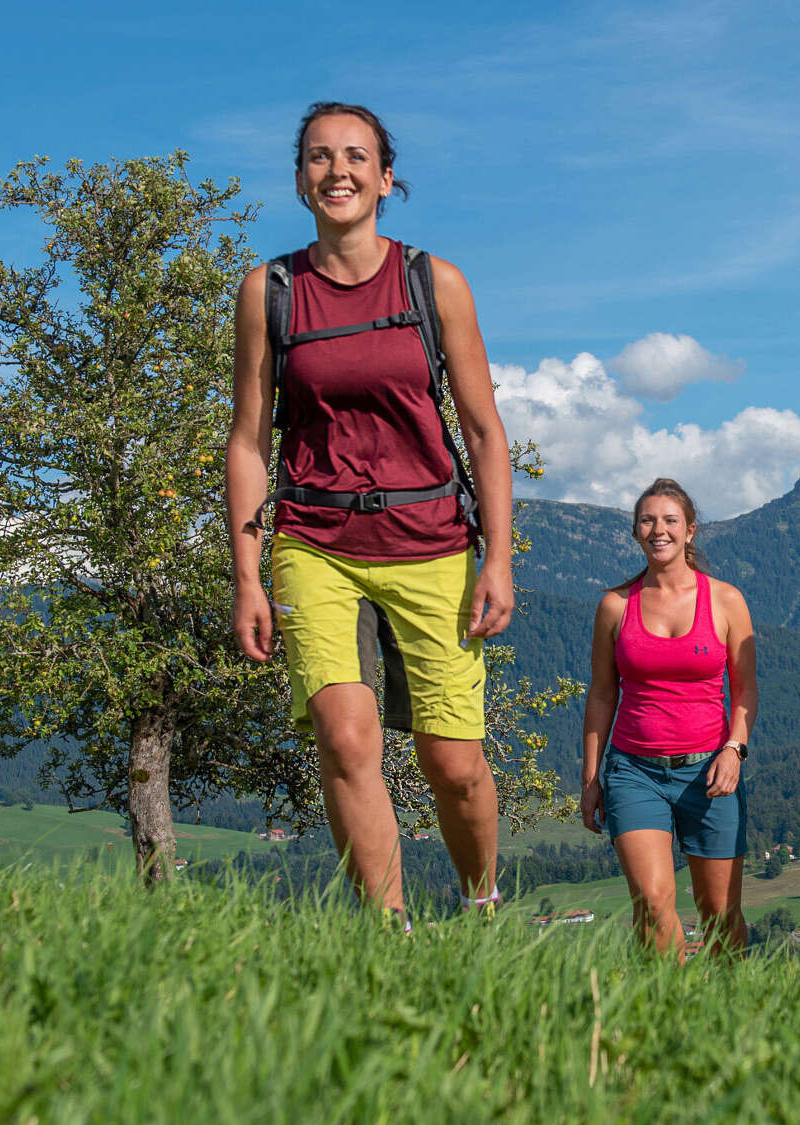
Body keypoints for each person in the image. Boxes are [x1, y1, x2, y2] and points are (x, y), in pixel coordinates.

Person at [226, 101, 516, 925]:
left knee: (452, 762)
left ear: (387, 179)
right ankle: (387, 941)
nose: (337, 171)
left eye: (356, 156)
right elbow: (247, 443)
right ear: (299, 180)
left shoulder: (433, 282)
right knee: (347, 740)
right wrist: (247, 576)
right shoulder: (270, 292)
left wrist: (498, 556)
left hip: (431, 542)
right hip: (315, 541)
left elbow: (486, 432)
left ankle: (481, 906)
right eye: (319, 157)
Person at [580, 479, 757, 959]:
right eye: (648, 520)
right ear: (636, 532)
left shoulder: (725, 601)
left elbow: (745, 692)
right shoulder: (615, 606)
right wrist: (592, 777)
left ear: (691, 530)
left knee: (720, 914)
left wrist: (734, 749)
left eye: (670, 521)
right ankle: (667, 1012)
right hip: (634, 773)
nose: (659, 530)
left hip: (711, 772)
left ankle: (727, 1015)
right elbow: (601, 694)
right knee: (654, 906)